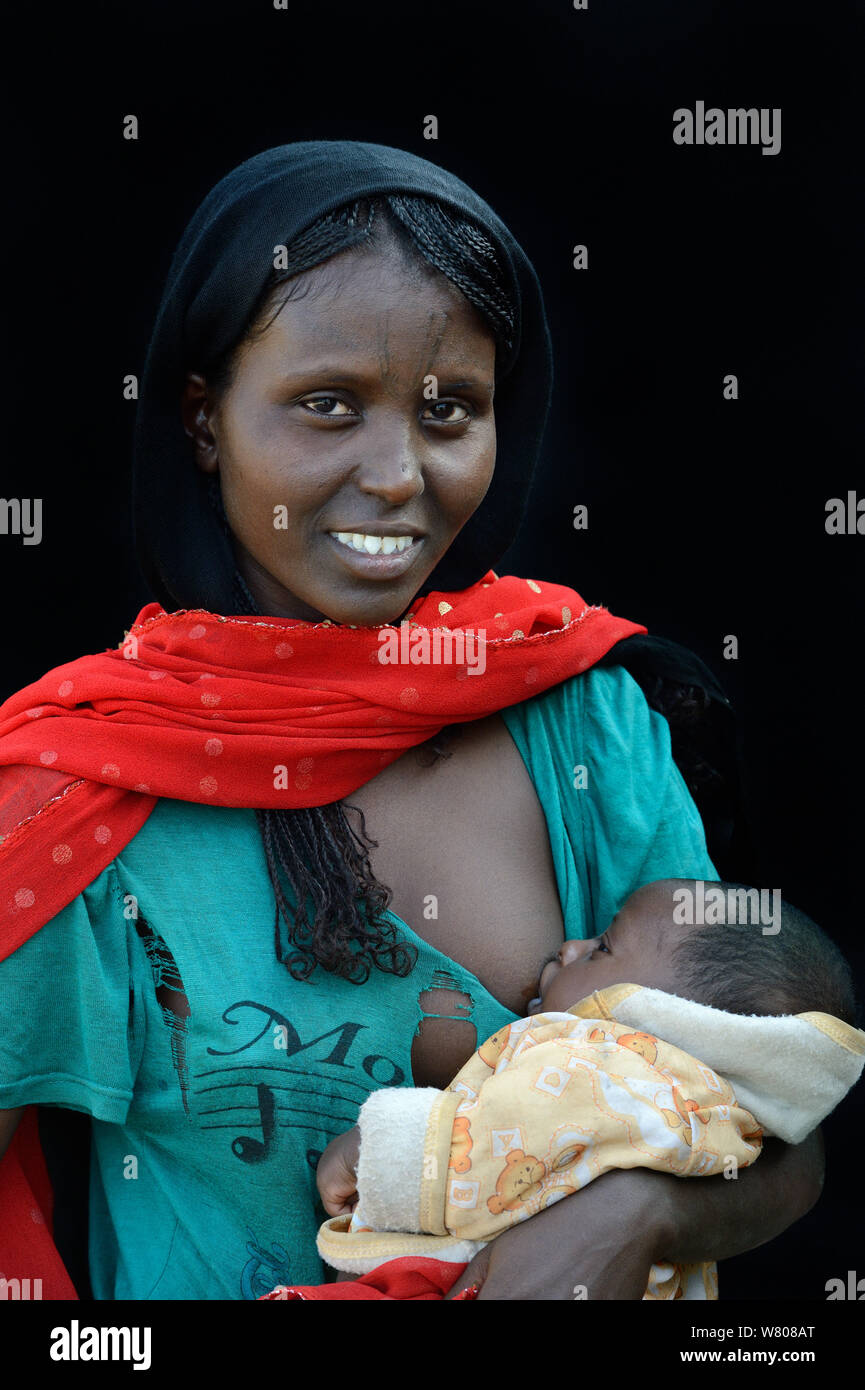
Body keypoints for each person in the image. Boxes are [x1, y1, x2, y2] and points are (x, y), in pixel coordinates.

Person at [0, 142, 823, 1302]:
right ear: (202, 420)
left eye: (451, 409)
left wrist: (635, 1213)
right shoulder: (78, 785)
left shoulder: (585, 719)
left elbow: (775, 1114)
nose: (396, 473)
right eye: (326, 404)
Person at [267, 878, 860, 1301]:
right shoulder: (705, 1115)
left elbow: (497, 1149)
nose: (570, 946)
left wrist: (382, 1152)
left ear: (662, 1014)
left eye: (602, 946)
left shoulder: (606, 1071)